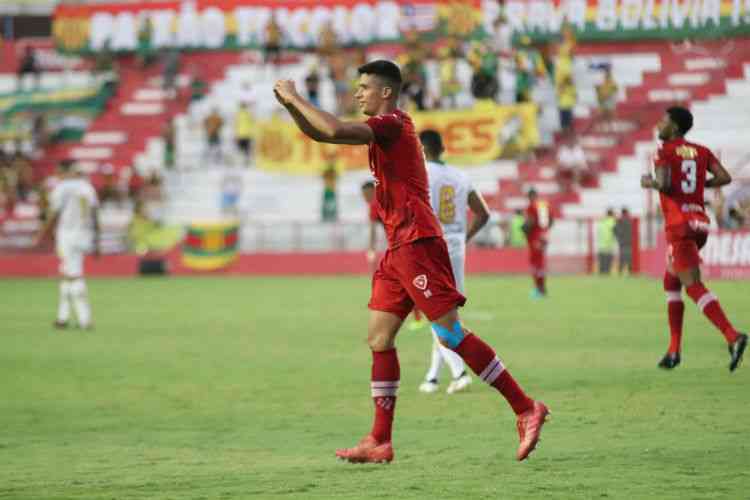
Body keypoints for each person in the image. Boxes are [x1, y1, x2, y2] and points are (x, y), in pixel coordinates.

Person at [273, 60, 548, 463]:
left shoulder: (394, 124)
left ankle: (526, 408)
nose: (357, 93)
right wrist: (291, 106)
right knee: (379, 338)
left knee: (450, 334)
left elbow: (332, 129)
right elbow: (322, 134)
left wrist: (297, 96)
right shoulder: (383, 130)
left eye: (364, 86)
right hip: (398, 246)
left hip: (418, 242)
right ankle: (380, 440)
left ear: (386, 92)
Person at [640, 106, 747, 371]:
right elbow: (724, 177)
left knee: (693, 286)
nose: (659, 124)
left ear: (674, 127)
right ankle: (674, 350)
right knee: (671, 280)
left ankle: (732, 336)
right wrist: (702, 186)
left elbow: (664, 185)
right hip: (699, 224)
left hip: (679, 226)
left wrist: (649, 182)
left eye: (664, 120)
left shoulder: (663, 151)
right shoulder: (701, 150)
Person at [418, 129, 491, 395]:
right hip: (456, 248)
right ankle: (433, 377)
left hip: (431, 248)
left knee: (436, 313)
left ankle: (460, 373)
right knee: (446, 313)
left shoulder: (422, 172)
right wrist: (463, 237)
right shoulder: (461, 176)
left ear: (423, 149)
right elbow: (483, 214)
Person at [34, 160, 100, 330]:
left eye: (58, 172)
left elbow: (53, 213)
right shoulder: (87, 187)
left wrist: (41, 234)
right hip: (84, 234)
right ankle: (62, 317)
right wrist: (97, 239)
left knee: (74, 274)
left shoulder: (61, 188)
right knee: (67, 271)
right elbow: (95, 213)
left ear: (63, 171)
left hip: (67, 234)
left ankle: (85, 319)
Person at [523, 188, 553, 297]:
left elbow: (530, 222)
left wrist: (525, 230)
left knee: (535, 264)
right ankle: (542, 289)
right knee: (540, 263)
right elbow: (551, 220)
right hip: (544, 237)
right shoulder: (545, 205)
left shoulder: (531, 206)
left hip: (534, 237)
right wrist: (545, 231)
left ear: (530, 196)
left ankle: (538, 290)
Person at [596, 208, 617, 275]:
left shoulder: (602, 222)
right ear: (612, 214)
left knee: (602, 267)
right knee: (608, 268)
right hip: (609, 247)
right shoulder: (613, 222)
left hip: (601, 247)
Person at [614, 207, 633, 274]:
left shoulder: (619, 220)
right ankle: (631, 271)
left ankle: (620, 271)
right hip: (630, 242)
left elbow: (615, 230)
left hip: (622, 243)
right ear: (627, 212)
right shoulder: (631, 220)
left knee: (622, 258)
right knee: (630, 258)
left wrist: (619, 238)